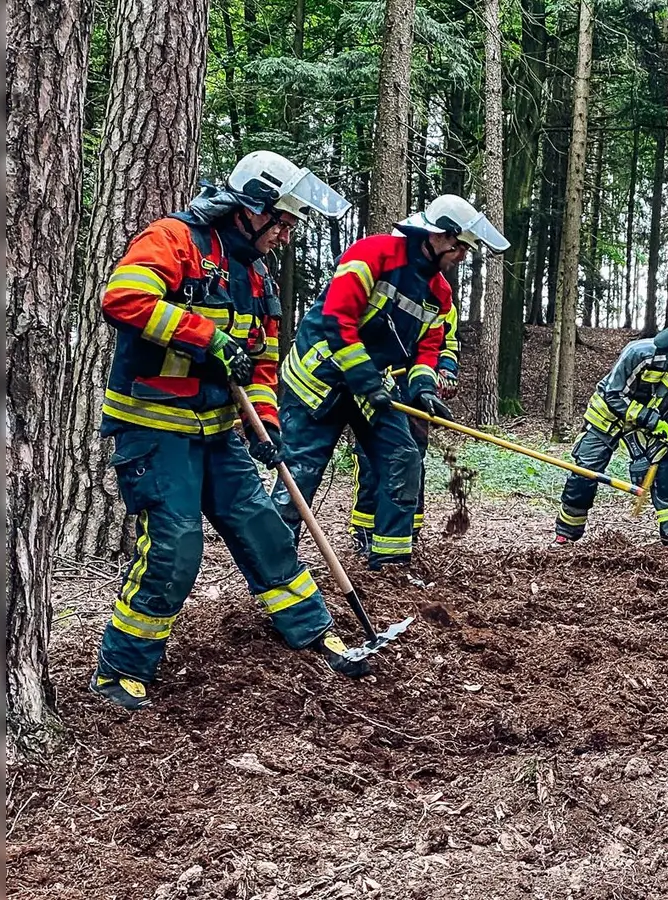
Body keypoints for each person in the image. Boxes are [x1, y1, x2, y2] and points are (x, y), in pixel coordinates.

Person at [88, 151, 363, 711]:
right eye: (283, 221)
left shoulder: (258, 280)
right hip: (154, 427)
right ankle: (122, 668)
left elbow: (260, 364)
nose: (287, 235)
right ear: (250, 209)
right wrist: (204, 338)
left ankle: (312, 630)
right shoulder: (175, 240)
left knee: (263, 526)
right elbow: (122, 298)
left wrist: (263, 421)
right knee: (177, 544)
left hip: (217, 431)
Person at [272, 195, 507, 569]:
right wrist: (366, 379)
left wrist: (424, 388)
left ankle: (392, 562)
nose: (462, 256)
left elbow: (428, 348)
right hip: (317, 380)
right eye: (460, 246)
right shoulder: (372, 254)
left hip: (371, 387)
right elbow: (338, 319)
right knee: (300, 471)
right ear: (438, 237)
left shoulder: (439, 294)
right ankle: (274, 565)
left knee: (403, 456)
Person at [554, 309, 668, 550]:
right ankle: (566, 533)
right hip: (606, 418)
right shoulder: (640, 353)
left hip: (649, 428)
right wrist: (649, 418)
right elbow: (614, 395)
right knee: (585, 472)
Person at [347, 304, 458, 551]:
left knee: (414, 459)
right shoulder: (391, 286)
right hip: (379, 386)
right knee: (369, 459)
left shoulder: (444, 303)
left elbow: (447, 345)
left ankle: (409, 529)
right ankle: (365, 530)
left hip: (418, 391)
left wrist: (446, 371)